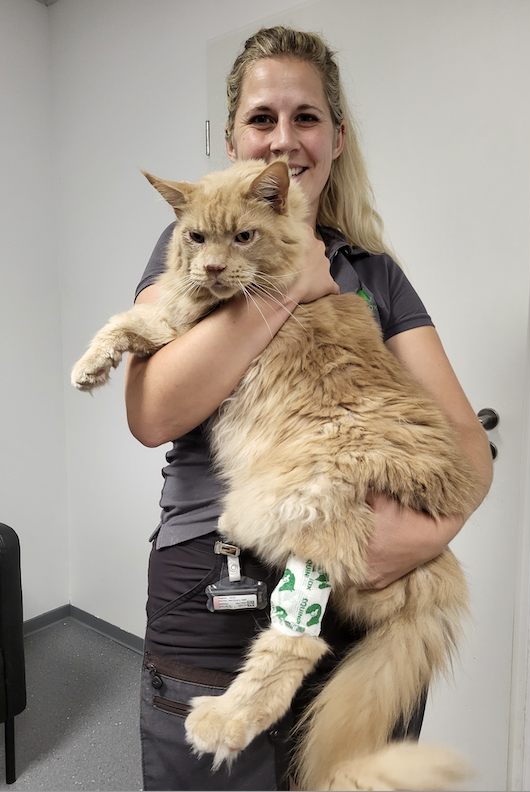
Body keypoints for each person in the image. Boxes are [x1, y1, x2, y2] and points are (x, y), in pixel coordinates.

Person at [125, 26, 493, 792]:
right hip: (216, 585)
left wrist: (409, 540)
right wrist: (292, 279)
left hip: (363, 579)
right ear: (232, 138)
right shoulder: (198, 238)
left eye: (306, 118)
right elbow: (152, 414)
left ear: (336, 138)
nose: (284, 139)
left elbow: (468, 444)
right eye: (262, 118)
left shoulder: (375, 275)